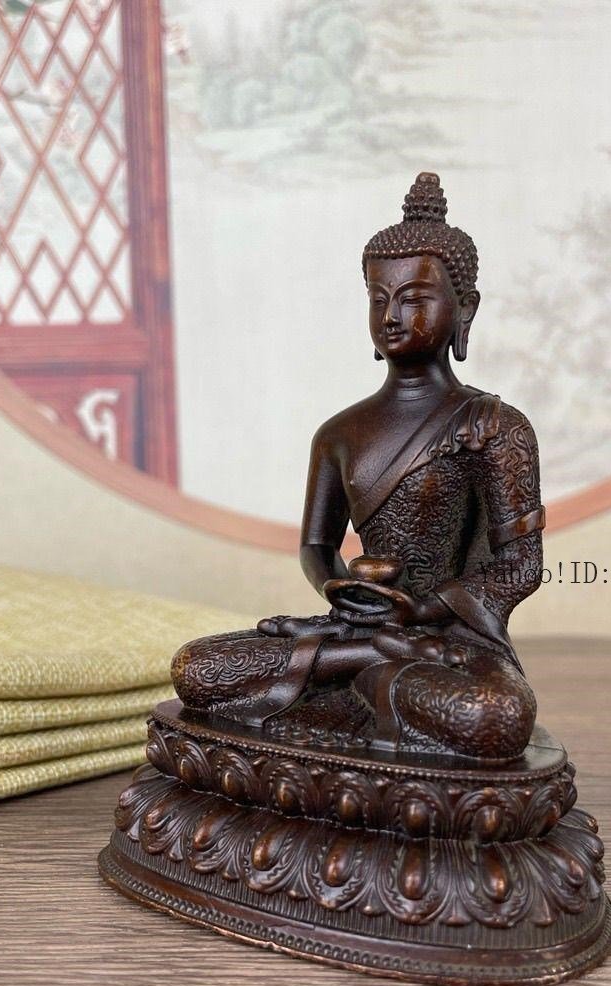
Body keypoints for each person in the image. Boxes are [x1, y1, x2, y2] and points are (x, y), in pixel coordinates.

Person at [172, 173, 545, 761]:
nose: (392, 315)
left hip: (446, 643)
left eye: (414, 299)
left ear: (464, 308)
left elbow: (520, 567)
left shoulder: (494, 427)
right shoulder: (339, 434)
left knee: (494, 717)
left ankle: (353, 685)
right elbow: (316, 548)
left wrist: (425, 609)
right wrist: (339, 591)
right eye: (379, 298)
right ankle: (368, 669)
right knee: (197, 669)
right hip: (359, 631)